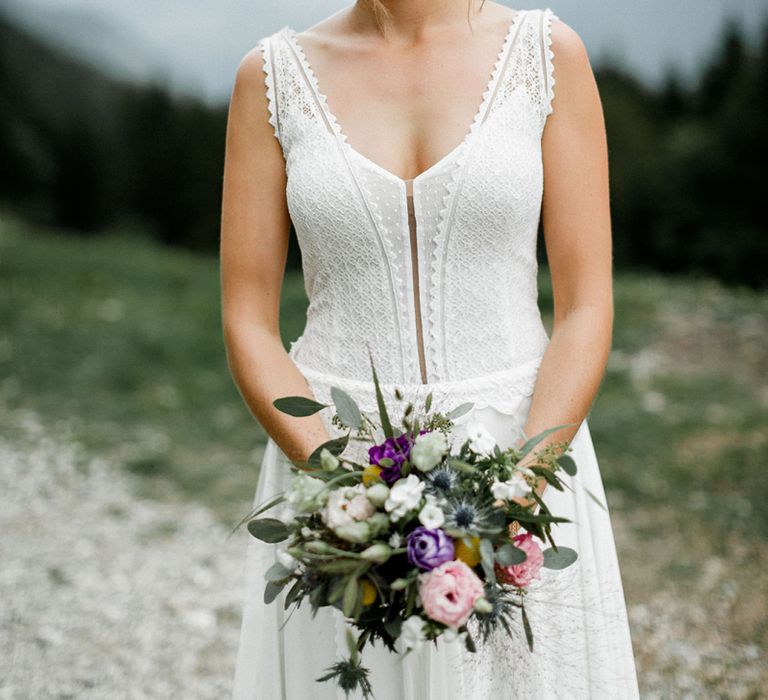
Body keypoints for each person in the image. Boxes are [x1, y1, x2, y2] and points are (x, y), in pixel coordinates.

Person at [221, 0, 640, 697]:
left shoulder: (547, 55)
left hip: (523, 444)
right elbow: (247, 321)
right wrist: (341, 493)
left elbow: (587, 305)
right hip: (334, 461)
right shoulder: (270, 77)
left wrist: (518, 487)